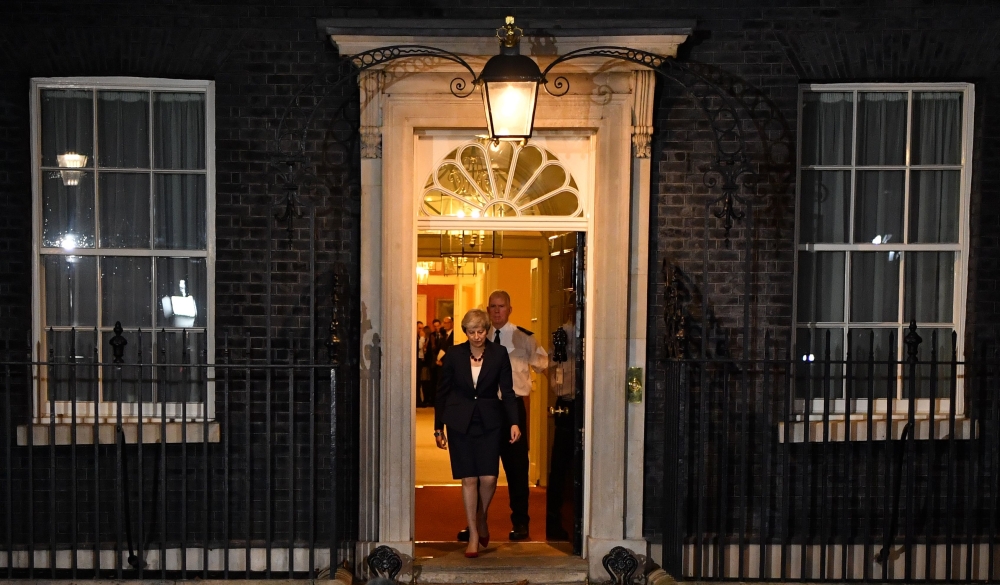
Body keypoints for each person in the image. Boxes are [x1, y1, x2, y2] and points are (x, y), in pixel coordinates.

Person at [459, 290, 548, 542]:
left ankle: (520, 523)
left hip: (513, 409)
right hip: (484, 408)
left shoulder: (524, 339)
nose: (497, 311)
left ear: (510, 309)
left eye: (502, 306)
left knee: (517, 469)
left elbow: (547, 368)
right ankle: (474, 524)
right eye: (493, 307)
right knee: (479, 470)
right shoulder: (476, 339)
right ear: (487, 310)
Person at [435, 309, 521, 558]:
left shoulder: (499, 353)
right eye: (471, 332)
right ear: (465, 332)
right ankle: (473, 533)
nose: (476, 336)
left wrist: (514, 422)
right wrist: (437, 428)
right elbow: (442, 392)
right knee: (469, 479)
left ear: (487, 330)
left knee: (489, 478)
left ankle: (482, 516)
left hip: (490, 421)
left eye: (481, 331)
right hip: (460, 422)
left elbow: (507, 391)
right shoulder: (454, 354)